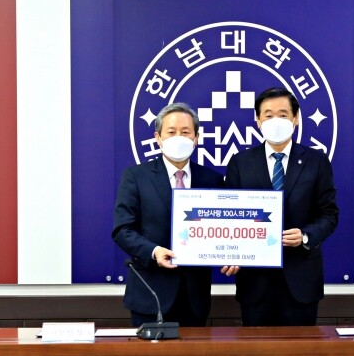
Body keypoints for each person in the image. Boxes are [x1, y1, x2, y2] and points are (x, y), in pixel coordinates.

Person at [225, 87, 339, 326]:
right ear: (258, 121)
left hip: (301, 281)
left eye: (283, 114)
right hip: (254, 282)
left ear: (295, 119)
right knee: (256, 349)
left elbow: (329, 214)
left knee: (300, 350)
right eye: (268, 115)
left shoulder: (316, 161)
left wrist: (305, 235)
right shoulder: (240, 163)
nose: (275, 120)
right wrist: (230, 252)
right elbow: (230, 217)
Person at [113, 102, 233, 327]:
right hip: (150, 296)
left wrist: (232, 254)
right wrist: (154, 251)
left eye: (185, 132)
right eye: (171, 132)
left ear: (196, 138)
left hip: (195, 298)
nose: (179, 137)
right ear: (158, 138)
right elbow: (122, 229)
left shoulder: (212, 180)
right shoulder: (136, 177)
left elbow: (224, 229)